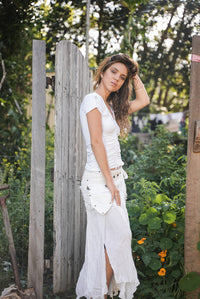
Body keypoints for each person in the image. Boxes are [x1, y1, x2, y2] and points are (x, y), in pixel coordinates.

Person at [76, 53, 150, 299]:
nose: (117, 79)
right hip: (100, 181)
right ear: (103, 70)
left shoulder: (110, 106)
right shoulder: (92, 101)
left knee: (112, 240)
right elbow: (96, 143)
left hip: (115, 180)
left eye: (122, 77)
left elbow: (144, 100)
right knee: (114, 238)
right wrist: (109, 182)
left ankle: (101, 293)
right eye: (114, 72)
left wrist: (134, 73)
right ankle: (98, 293)